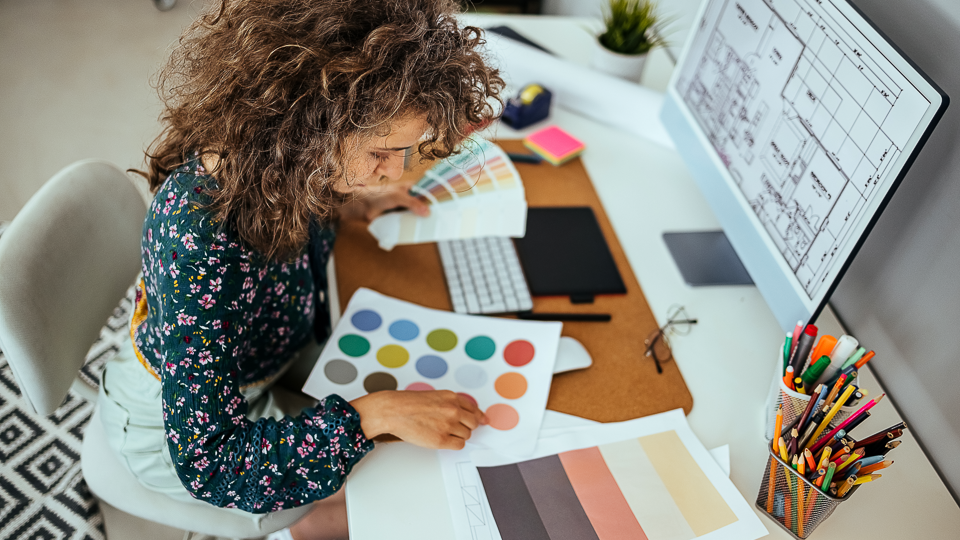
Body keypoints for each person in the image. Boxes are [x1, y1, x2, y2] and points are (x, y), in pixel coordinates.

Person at [96, 1, 504, 539]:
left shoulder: (286, 161)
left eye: (407, 152)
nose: (395, 173)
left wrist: (353, 204)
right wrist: (373, 415)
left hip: (268, 346)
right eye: (385, 153)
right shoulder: (199, 239)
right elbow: (214, 464)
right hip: (173, 427)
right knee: (370, 497)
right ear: (309, 125)